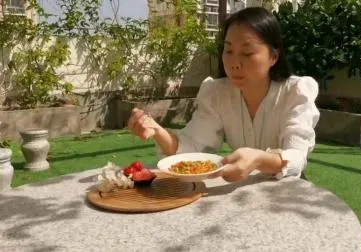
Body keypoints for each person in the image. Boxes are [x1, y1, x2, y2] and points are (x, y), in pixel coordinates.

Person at [127, 7, 320, 183]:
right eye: (229, 50)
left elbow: (296, 156)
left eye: (247, 52)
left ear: (273, 57)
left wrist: (259, 159)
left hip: (287, 191)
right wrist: (158, 131)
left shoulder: (296, 92)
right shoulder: (217, 93)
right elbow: (192, 148)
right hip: (242, 192)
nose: (234, 62)